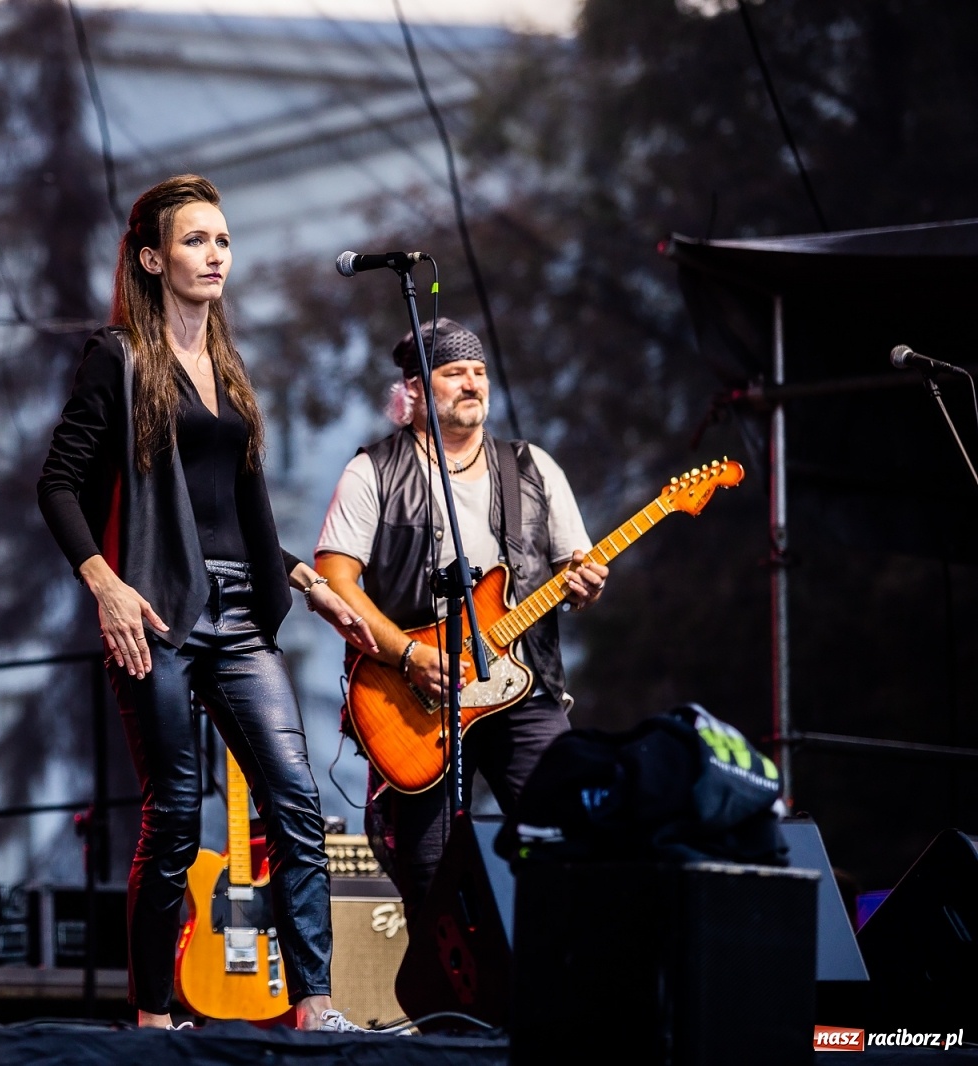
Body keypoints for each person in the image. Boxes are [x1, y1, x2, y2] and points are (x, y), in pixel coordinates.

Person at [37, 174, 378, 1031]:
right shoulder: (118, 357)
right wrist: (105, 583)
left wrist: (306, 580)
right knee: (176, 817)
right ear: (153, 259)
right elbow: (58, 485)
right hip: (157, 612)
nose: (215, 254)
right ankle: (154, 1019)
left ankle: (314, 1007)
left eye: (223, 239)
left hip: (239, 615)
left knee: (296, 801)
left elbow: (235, 507)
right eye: (195, 240)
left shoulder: (228, 366)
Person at [313, 318, 607, 920]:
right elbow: (335, 584)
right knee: (430, 877)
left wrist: (587, 584)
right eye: (454, 373)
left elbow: (574, 570)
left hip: (524, 685)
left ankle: (547, 971)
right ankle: (449, 980)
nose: (473, 383)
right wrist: (408, 655)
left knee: (569, 841)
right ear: (414, 389)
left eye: (479, 372)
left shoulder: (532, 468)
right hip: (418, 695)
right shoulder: (372, 471)